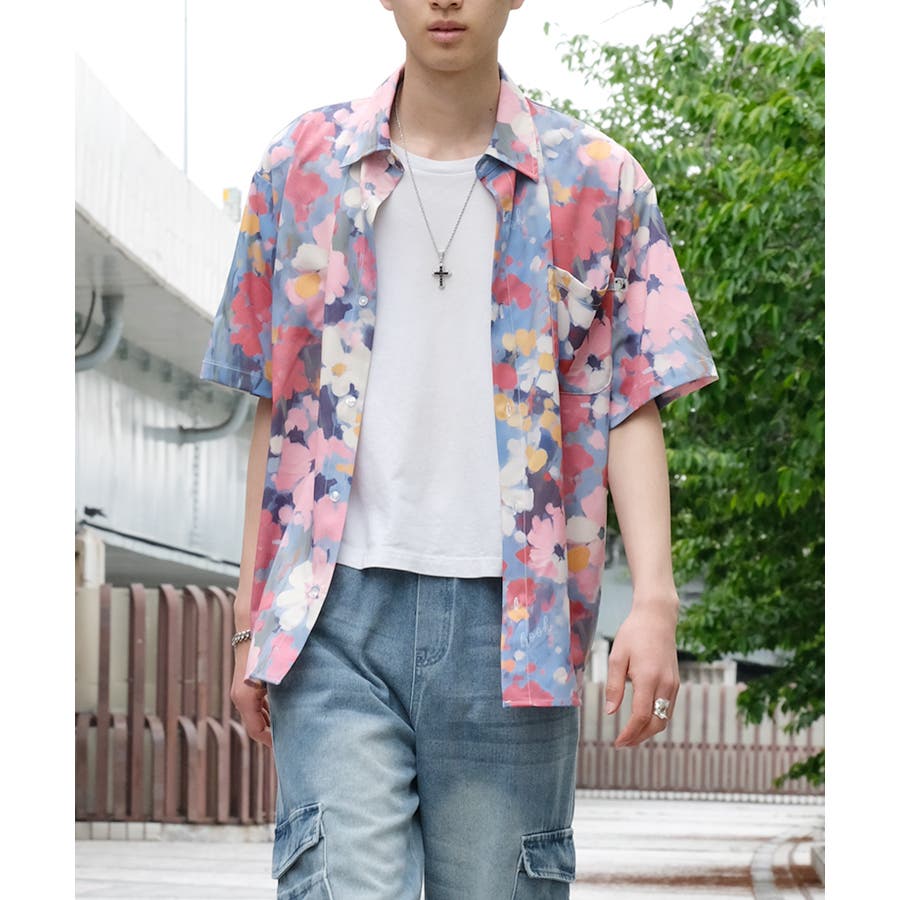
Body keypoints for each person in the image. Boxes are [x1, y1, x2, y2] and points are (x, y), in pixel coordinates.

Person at [199, 1, 718, 896]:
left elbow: (631, 400)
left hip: (515, 625)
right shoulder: (301, 167)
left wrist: (655, 601)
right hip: (331, 616)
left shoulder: (598, 182)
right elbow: (277, 405)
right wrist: (254, 617)